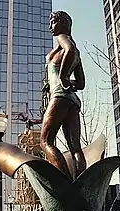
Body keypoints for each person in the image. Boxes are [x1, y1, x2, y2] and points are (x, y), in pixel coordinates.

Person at [40, 11, 86, 180]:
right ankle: (82, 183)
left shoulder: (62, 38)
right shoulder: (76, 53)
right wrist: (67, 80)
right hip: (72, 101)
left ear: (63, 23)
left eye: (53, 22)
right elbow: (80, 84)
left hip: (59, 97)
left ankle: (65, 183)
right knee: (75, 148)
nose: (50, 26)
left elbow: (70, 49)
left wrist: (62, 77)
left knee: (45, 142)